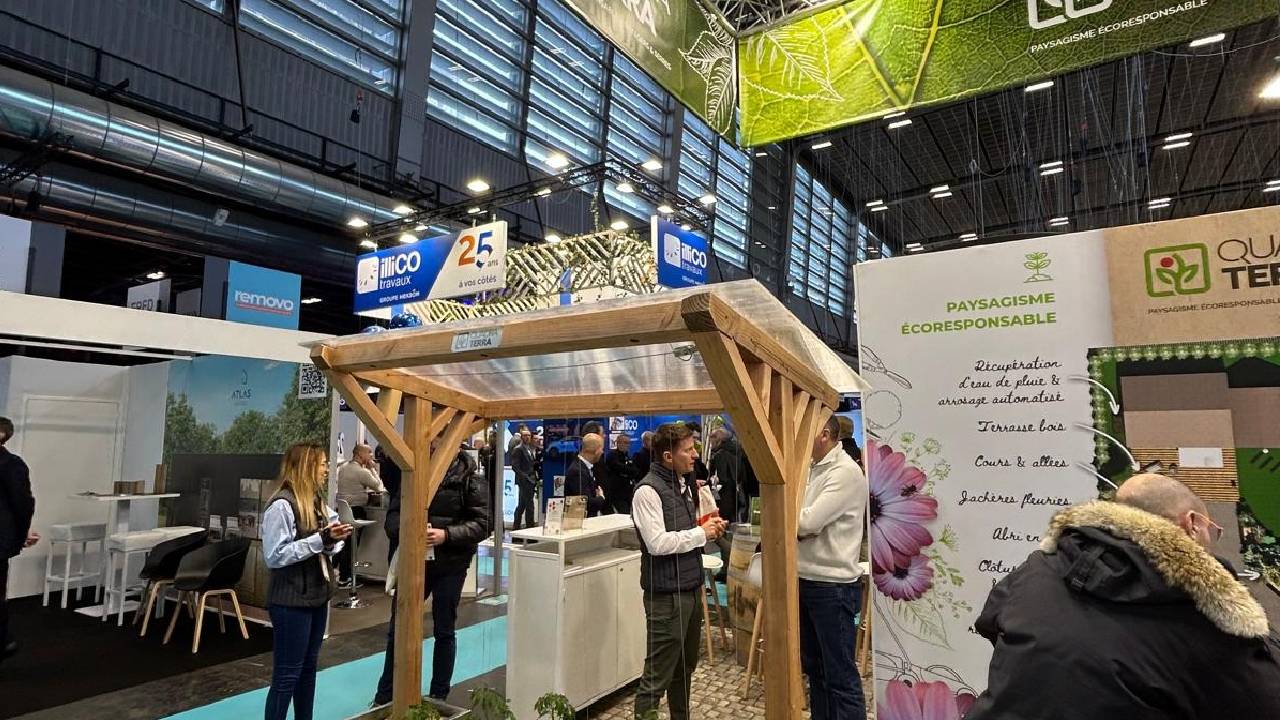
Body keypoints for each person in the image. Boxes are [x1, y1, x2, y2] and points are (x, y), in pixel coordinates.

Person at [966, 474, 1280, 720]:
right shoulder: (1206, 608)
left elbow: (990, 619)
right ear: (1192, 523)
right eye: (1213, 529)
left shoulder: (1040, 565)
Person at [373, 445, 491, 706]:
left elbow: (483, 524)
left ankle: (439, 695)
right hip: (414, 561)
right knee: (399, 627)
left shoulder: (471, 478)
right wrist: (408, 531)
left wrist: (445, 535)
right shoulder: (412, 473)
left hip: (452, 564)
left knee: (444, 629)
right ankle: (386, 694)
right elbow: (393, 517)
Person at [631, 423, 726, 720]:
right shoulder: (647, 492)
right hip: (666, 599)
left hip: (690, 590)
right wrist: (700, 533)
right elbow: (657, 543)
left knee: (684, 670)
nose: (695, 455)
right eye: (688, 450)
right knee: (656, 679)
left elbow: (681, 531)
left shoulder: (682, 485)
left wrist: (708, 527)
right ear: (668, 457)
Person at [262, 443, 351, 720]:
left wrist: (332, 540)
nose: (326, 469)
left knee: (308, 669)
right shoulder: (282, 505)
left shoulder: (316, 503)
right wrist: (320, 540)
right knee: (287, 675)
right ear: (307, 466)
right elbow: (274, 556)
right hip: (290, 602)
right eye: (323, 464)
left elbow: (326, 547)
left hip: (316, 596)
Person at [797, 415, 868, 720]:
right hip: (807, 579)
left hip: (832, 586)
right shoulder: (811, 468)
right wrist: (801, 523)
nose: (797, 436)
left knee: (840, 676)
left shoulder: (845, 472)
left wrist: (800, 524)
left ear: (824, 434)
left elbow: (807, 522)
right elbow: (802, 520)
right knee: (816, 671)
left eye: (804, 429)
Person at [0, 417, 37, 663]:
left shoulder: (11, 465)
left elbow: (21, 504)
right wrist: (22, 533)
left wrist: (21, 534)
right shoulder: (11, 464)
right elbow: (22, 504)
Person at [564, 433, 605, 517]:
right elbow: (585, 503)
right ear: (596, 451)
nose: (602, 452)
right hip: (581, 521)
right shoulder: (577, 471)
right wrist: (601, 498)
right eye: (601, 449)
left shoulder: (585, 468)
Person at [336, 443, 384, 511]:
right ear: (360, 454)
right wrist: (372, 468)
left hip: (342, 510)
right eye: (369, 452)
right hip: (356, 510)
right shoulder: (362, 471)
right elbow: (379, 488)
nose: (372, 455)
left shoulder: (342, 467)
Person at [600, 433, 638, 514]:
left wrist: (627, 471)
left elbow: (635, 471)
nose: (628, 445)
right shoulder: (612, 455)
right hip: (617, 492)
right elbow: (620, 468)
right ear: (618, 443)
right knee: (624, 513)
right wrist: (627, 471)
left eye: (629, 443)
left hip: (628, 491)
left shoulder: (627, 456)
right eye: (625, 443)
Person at [511, 428, 538, 530]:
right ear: (521, 437)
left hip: (531, 480)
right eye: (525, 435)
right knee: (529, 506)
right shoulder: (518, 449)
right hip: (524, 481)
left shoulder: (529, 449)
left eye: (528, 435)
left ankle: (516, 526)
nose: (527, 437)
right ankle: (529, 528)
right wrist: (526, 477)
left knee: (522, 505)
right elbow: (515, 466)